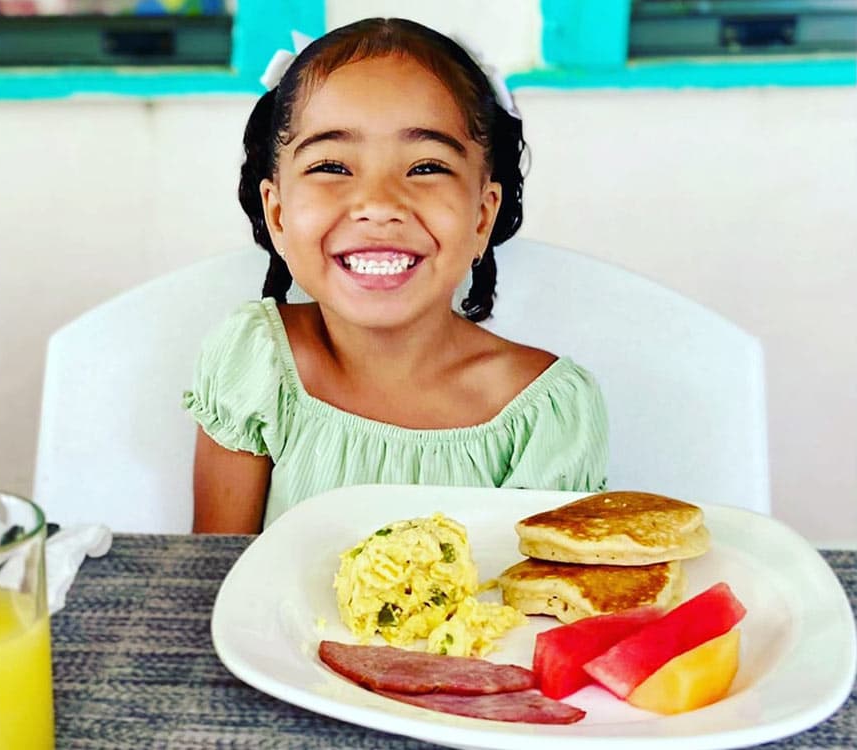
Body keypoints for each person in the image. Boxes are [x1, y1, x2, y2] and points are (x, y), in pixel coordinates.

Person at [185, 18, 608, 534]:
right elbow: (216, 583)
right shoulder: (257, 364)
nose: (379, 205)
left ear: (482, 215)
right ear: (277, 214)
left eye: (426, 167)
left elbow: (541, 608)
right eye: (332, 167)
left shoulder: (545, 415)